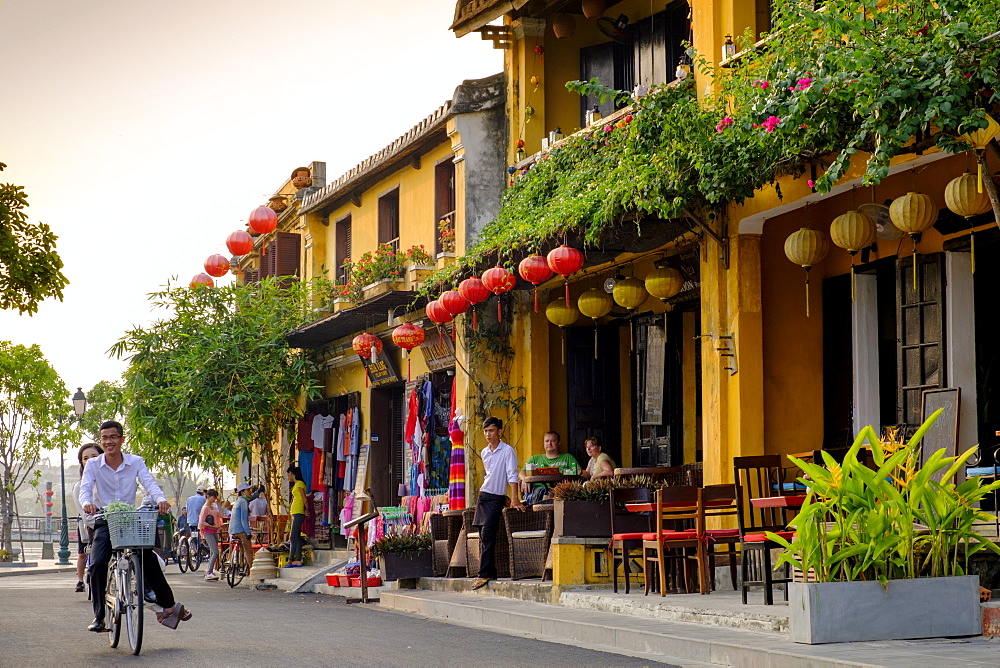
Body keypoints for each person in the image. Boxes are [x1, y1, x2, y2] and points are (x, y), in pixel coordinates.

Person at [80, 420, 191, 631]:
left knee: (147, 557)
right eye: (104, 438)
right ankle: (99, 617)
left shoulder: (135, 462)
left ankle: (168, 604)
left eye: (113, 437)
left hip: (130, 520)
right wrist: (87, 503)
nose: (108, 441)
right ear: (100, 440)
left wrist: (160, 499)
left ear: (122, 439)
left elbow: (149, 483)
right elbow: (85, 488)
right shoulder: (94, 465)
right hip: (105, 520)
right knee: (97, 563)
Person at [472, 417, 524, 591]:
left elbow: (512, 475)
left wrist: (514, 497)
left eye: (492, 430)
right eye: (486, 431)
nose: (488, 434)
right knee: (482, 533)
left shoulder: (508, 451)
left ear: (499, 432)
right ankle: (491, 571)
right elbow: (491, 475)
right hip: (484, 495)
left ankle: (484, 573)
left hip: (496, 498)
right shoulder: (485, 452)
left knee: (488, 533)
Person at [71, 442, 103, 593]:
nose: (90, 460)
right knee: (83, 553)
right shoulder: (79, 486)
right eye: (85, 458)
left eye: (94, 456)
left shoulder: (110, 480)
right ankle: (81, 580)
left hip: (114, 523)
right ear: (82, 462)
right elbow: (86, 516)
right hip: (92, 525)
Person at [518, 431, 581, 496]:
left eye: (553, 441)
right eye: (547, 441)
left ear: (559, 443)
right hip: (538, 491)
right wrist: (525, 479)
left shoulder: (568, 457)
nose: (549, 443)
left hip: (561, 491)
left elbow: (579, 472)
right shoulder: (535, 458)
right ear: (543, 443)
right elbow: (521, 473)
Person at [228, 482, 264, 576]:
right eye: (248, 490)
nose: (250, 492)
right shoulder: (243, 502)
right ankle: (253, 571)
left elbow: (251, 498)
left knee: (242, 547)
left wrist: (258, 492)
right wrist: (248, 532)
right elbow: (244, 519)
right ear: (243, 492)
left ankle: (242, 566)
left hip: (233, 529)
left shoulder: (239, 500)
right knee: (248, 550)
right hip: (240, 529)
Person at [198, 489, 223, 581]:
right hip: (208, 531)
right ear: (208, 496)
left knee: (213, 551)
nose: (214, 499)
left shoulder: (213, 507)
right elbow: (201, 522)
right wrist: (210, 525)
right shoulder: (205, 508)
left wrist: (219, 504)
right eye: (214, 497)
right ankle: (209, 572)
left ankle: (210, 571)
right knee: (215, 551)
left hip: (214, 531)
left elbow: (220, 515)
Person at [286, 466, 307, 567]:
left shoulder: (299, 484)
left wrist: (307, 509)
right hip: (295, 512)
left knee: (293, 537)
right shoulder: (296, 484)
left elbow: (304, 498)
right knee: (297, 537)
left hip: (299, 511)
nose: (288, 477)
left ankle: (290, 560)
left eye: (289, 474)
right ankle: (298, 560)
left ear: (292, 474)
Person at [185, 486, 206, 552]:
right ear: (203, 492)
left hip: (191, 522)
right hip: (200, 522)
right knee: (202, 536)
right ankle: (202, 545)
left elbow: (187, 510)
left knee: (193, 535)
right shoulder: (203, 498)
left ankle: (195, 549)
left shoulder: (189, 499)